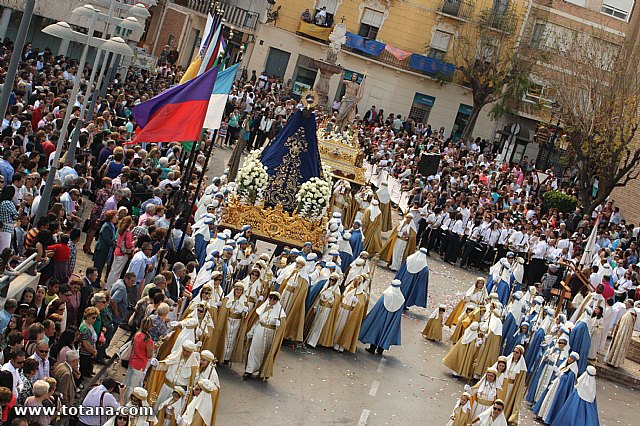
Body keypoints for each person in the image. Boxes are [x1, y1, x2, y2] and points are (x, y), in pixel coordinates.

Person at [243, 291, 287, 380]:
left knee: (266, 352)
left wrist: (279, 325)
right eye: (270, 298)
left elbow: (282, 328)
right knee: (254, 350)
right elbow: (257, 321)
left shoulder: (280, 313)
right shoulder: (263, 308)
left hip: (271, 332)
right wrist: (251, 332)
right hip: (260, 330)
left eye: (274, 299)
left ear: (277, 301)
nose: (272, 300)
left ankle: (262, 372)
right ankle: (249, 370)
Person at [359, 279, 406, 355]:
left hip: (380, 318)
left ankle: (372, 348)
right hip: (391, 320)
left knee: (376, 331)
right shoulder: (401, 299)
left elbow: (378, 306)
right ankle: (381, 349)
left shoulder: (386, 295)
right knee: (386, 332)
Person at [123, 318, 154, 401]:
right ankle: (126, 403)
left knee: (126, 384)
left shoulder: (137, 334)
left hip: (132, 361)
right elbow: (149, 355)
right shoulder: (148, 340)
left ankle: (122, 399)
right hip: (140, 365)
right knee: (132, 387)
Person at [93, 209, 118, 283]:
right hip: (101, 249)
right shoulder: (107, 226)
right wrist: (114, 245)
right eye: (115, 216)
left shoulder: (111, 226)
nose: (116, 218)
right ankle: (95, 281)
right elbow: (107, 239)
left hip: (105, 249)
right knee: (98, 266)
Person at [79, 307, 100, 377]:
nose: (95, 320)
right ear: (87, 317)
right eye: (93, 318)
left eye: (96, 318)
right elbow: (86, 344)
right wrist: (94, 351)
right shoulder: (84, 328)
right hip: (84, 352)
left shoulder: (90, 325)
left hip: (89, 352)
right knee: (82, 368)